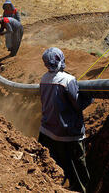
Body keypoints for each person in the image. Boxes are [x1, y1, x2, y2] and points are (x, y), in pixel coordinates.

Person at [38, 48, 92, 193]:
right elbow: (78, 104)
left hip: (47, 132)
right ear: (61, 60)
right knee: (78, 170)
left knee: (60, 165)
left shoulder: (43, 79)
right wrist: (90, 96)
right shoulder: (68, 80)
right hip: (68, 134)